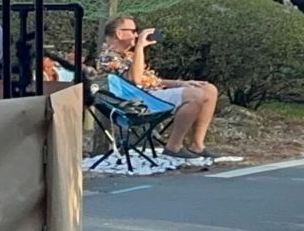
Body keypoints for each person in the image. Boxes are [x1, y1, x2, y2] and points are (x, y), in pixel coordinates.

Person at [93, 15, 224, 163]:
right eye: (133, 31)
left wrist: (181, 83)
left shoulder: (128, 55)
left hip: (150, 94)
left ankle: (197, 145)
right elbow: (135, 81)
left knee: (209, 89)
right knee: (195, 96)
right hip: (135, 102)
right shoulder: (108, 57)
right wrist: (140, 47)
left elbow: (150, 80)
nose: (136, 34)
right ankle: (174, 146)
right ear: (119, 33)